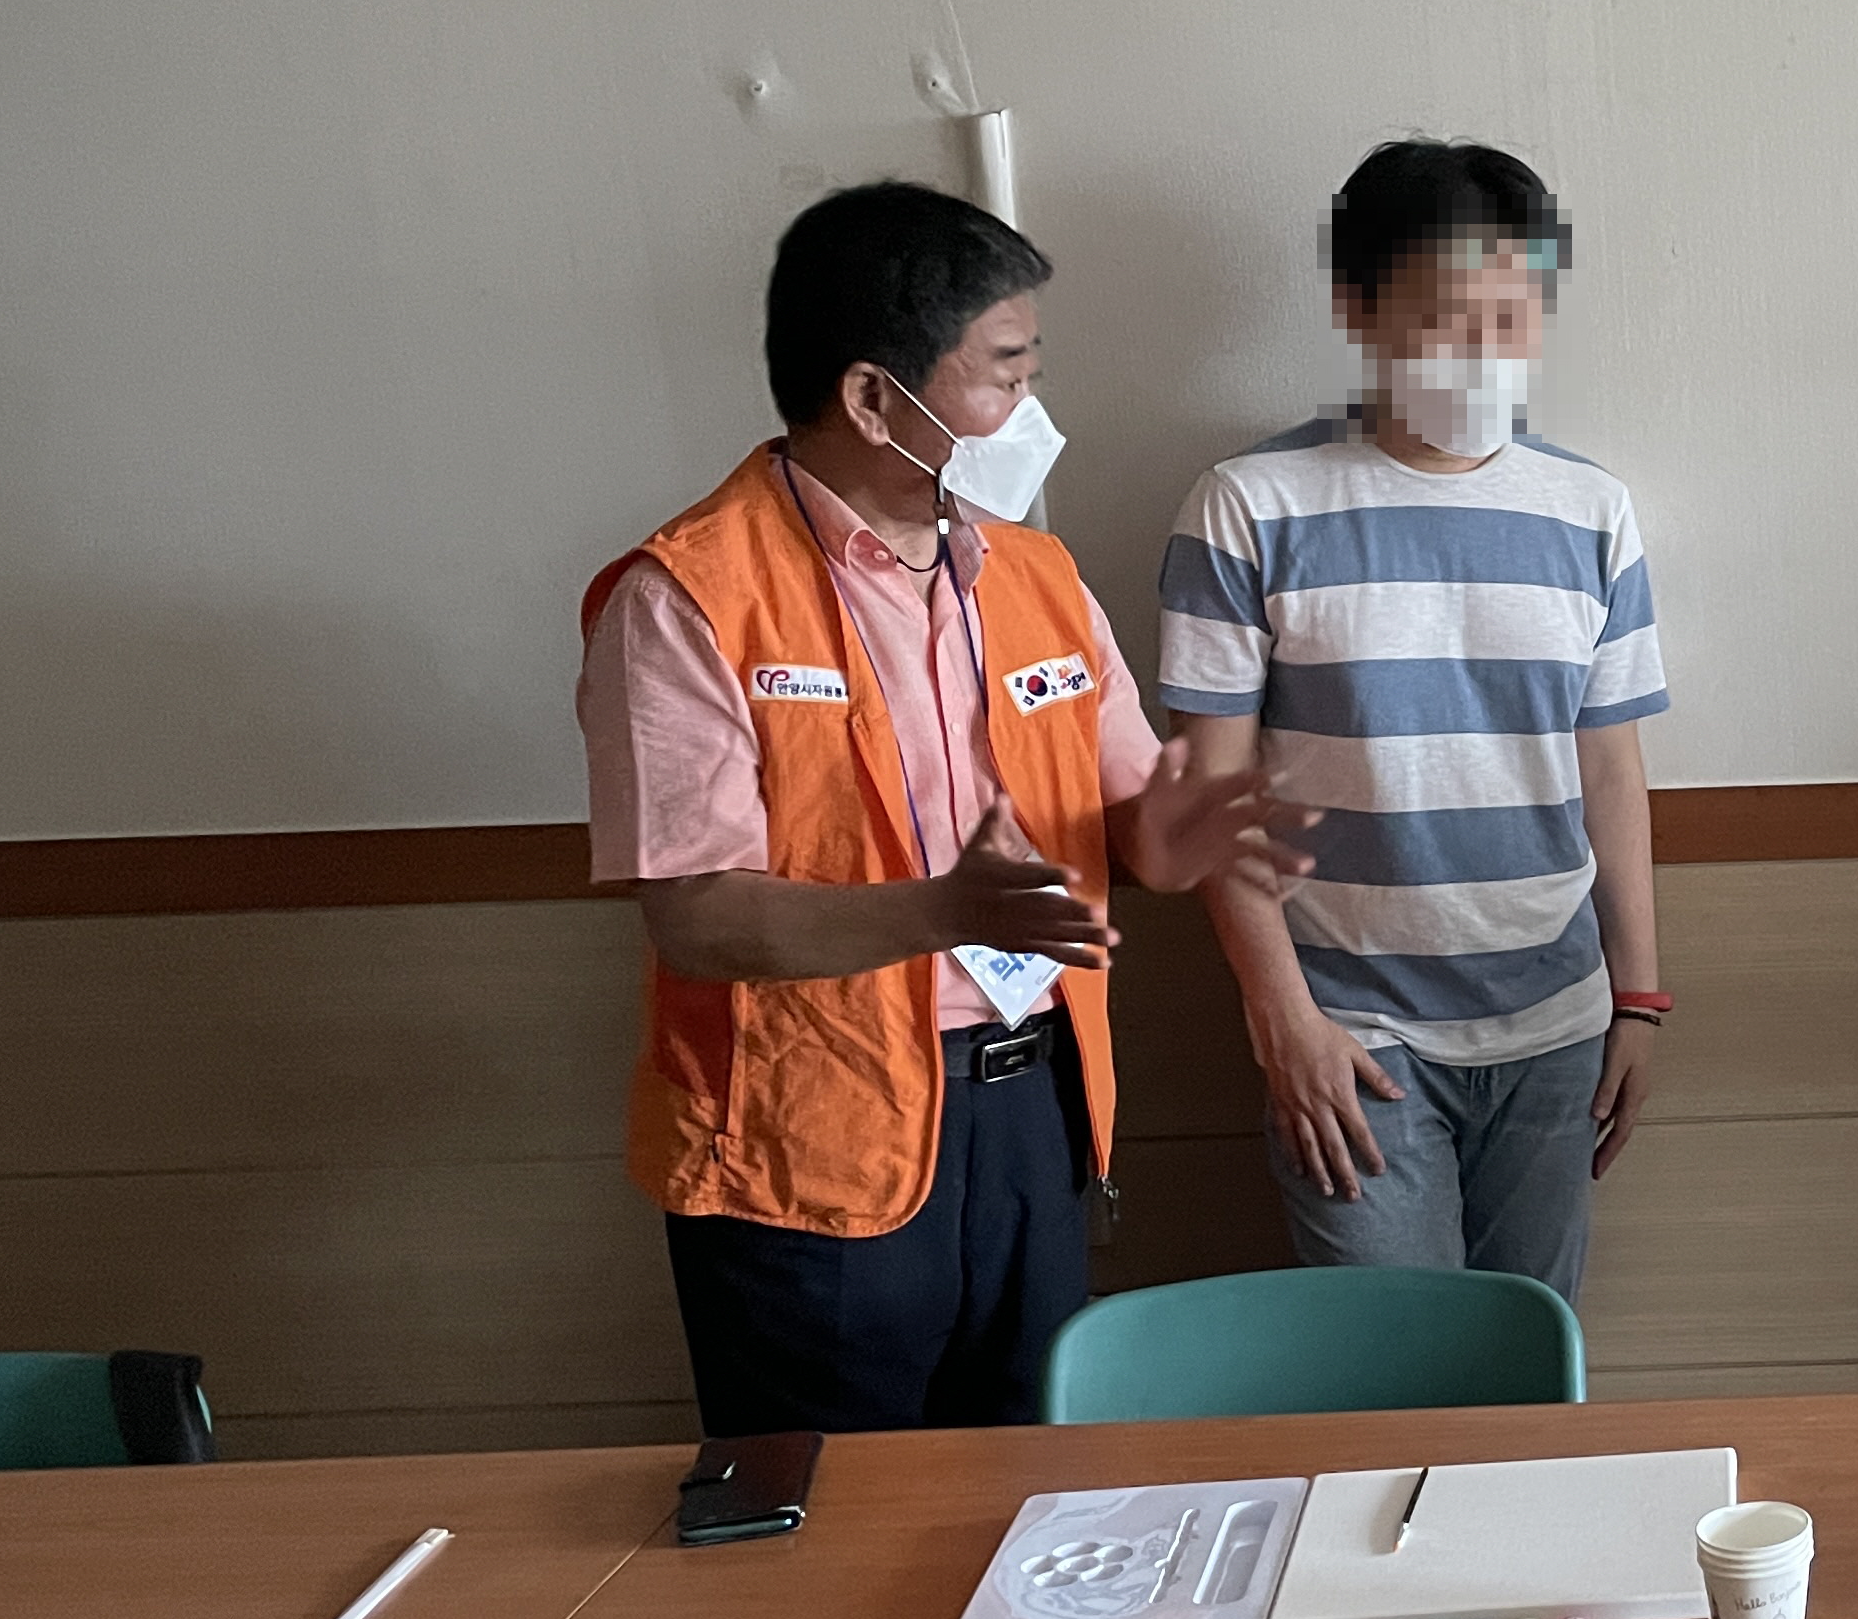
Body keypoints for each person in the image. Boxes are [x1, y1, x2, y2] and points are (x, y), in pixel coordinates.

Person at [579, 182, 1306, 1436]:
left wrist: (1185, 834)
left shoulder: (1035, 573)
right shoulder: (688, 597)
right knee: (833, 1509)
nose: (1032, 412)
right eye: (1006, 372)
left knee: (1024, 1480)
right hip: (807, 1143)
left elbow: (1134, 820)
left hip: (1034, 1113)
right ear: (875, 398)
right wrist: (941, 912)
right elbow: (696, 918)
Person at [1159, 141, 1667, 1303]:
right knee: (1397, 1374)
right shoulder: (1248, 506)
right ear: (1358, 308)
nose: (1480, 351)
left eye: (1511, 317)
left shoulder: (1591, 510)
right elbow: (1208, 792)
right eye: (1445, 317)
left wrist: (1638, 998)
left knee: (1530, 1358)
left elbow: (1612, 773)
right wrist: (1282, 1020)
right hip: (1349, 1029)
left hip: (1556, 1024)